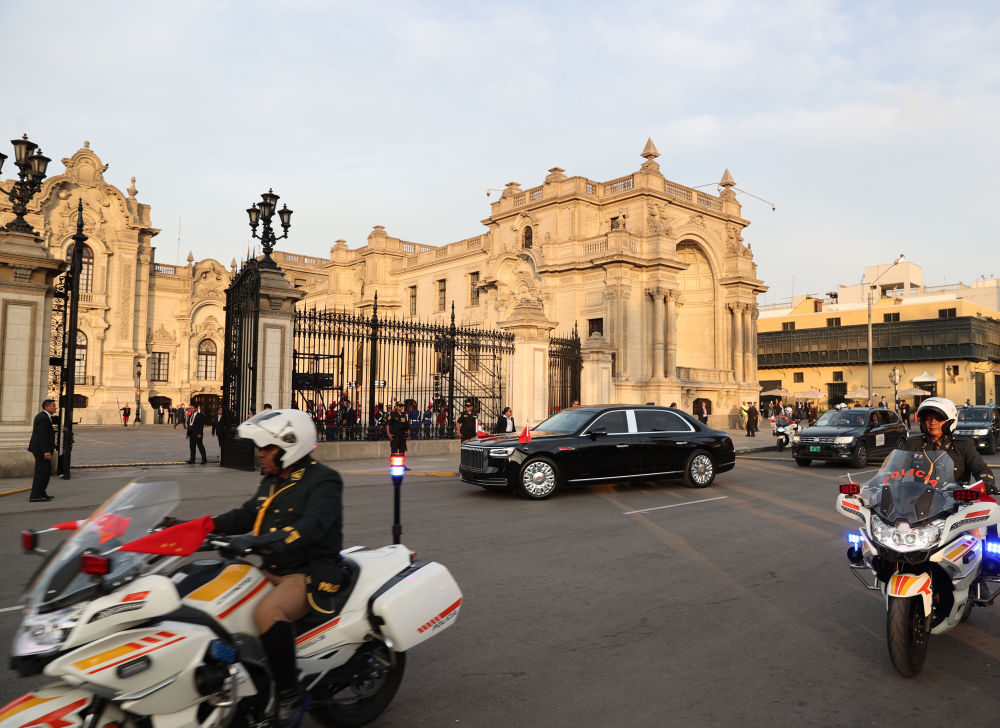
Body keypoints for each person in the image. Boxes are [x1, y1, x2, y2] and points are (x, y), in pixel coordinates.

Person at [210, 409, 344, 728]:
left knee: (267, 614)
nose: (261, 455)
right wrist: (199, 527)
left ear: (290, 445)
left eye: (267, 448)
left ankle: (288, 695)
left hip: (308, 570)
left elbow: (311, 526)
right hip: (272, 567)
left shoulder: (323, 479)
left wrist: (258, 541)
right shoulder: (272, 481)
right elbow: (244, 515)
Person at [903, 397, 995, 493]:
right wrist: (888, 481)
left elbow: (981, 469)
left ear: (950, 421)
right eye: (928, 418)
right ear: (923, 422)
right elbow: (895, 469)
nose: (932, 422)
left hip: (956, 501)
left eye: (938, 419)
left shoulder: (963, 445)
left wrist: (986, 482)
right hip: (922, 501)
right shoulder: (914, 443)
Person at [27, 399, 57, 502]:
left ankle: (42, 492)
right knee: (41, 473)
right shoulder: (43, 418)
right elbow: (42, 436)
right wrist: (46, 451)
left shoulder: (44, 417)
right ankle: (35, 496)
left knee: (45, 472)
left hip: (42, 450)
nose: (55, 407)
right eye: (53, 406)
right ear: (47, 407)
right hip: (41, 451)